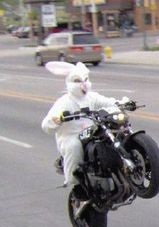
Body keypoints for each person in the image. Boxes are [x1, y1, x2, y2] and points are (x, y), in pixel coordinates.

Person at [41, 61, 129, 189]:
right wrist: (56, 120)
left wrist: (123, 103)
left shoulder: (92, 97)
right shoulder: (64, 102)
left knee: (110, 134)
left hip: (91, 133)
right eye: (77, 81)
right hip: (71, 136)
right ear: (70, 82)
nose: (83, 84)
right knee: (74, 146)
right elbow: (46, 125)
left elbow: (108, 102)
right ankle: (73, 182)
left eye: (85, 80)